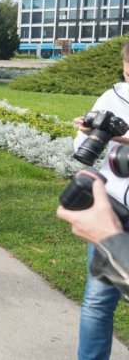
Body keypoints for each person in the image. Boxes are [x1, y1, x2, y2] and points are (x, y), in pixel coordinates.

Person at [62, 41, 129, 359]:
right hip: (112, 210)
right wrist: (90, 132)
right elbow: (84, 143)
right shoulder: (112, 96)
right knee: (98, 301)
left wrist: (121, 137)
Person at [57, 178, 129, 295]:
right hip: (110, 206)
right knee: (97, 297)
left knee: (98, 298)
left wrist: (108, 238)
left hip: (110, 223)